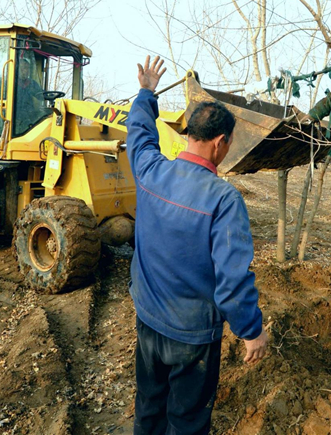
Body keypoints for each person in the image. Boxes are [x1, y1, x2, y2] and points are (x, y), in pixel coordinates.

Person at [127, 55, 268, 434]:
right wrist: (251, 330)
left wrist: (146, 93)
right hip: (191, 337)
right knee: (187, 421)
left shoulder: (151, 171)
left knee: (149, 409)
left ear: (189, 134)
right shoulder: (224, 200)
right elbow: (233, 280)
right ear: (221, 143)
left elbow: (139, 135)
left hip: (148, 320)